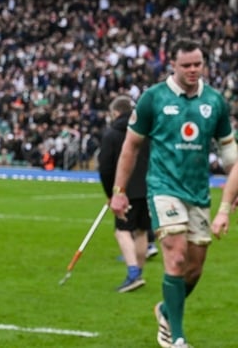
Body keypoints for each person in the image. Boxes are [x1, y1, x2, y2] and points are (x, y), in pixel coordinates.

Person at [110, 39, 237, 348]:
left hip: (198, 192)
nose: (193, 70)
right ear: (173, 65)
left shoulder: (215, 102)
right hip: (163, 188)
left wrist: (226, 205)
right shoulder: (153, 98)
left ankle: (166, 310)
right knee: (176, 255)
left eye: (198, 64)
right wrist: (119, 190)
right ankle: (176, 338)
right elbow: (131, 146)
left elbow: (232, 159)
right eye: (186, 65)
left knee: (193, 269)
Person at [98, 95, 151, 293]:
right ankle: (139, 272)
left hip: (125, 190)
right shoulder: (146, 130)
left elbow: (105, 167)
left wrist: (111, 193)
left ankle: (133, 274)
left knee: (122, 231)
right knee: (141, 231)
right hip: (148, 188)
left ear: (116, 113)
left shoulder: (112, 134)